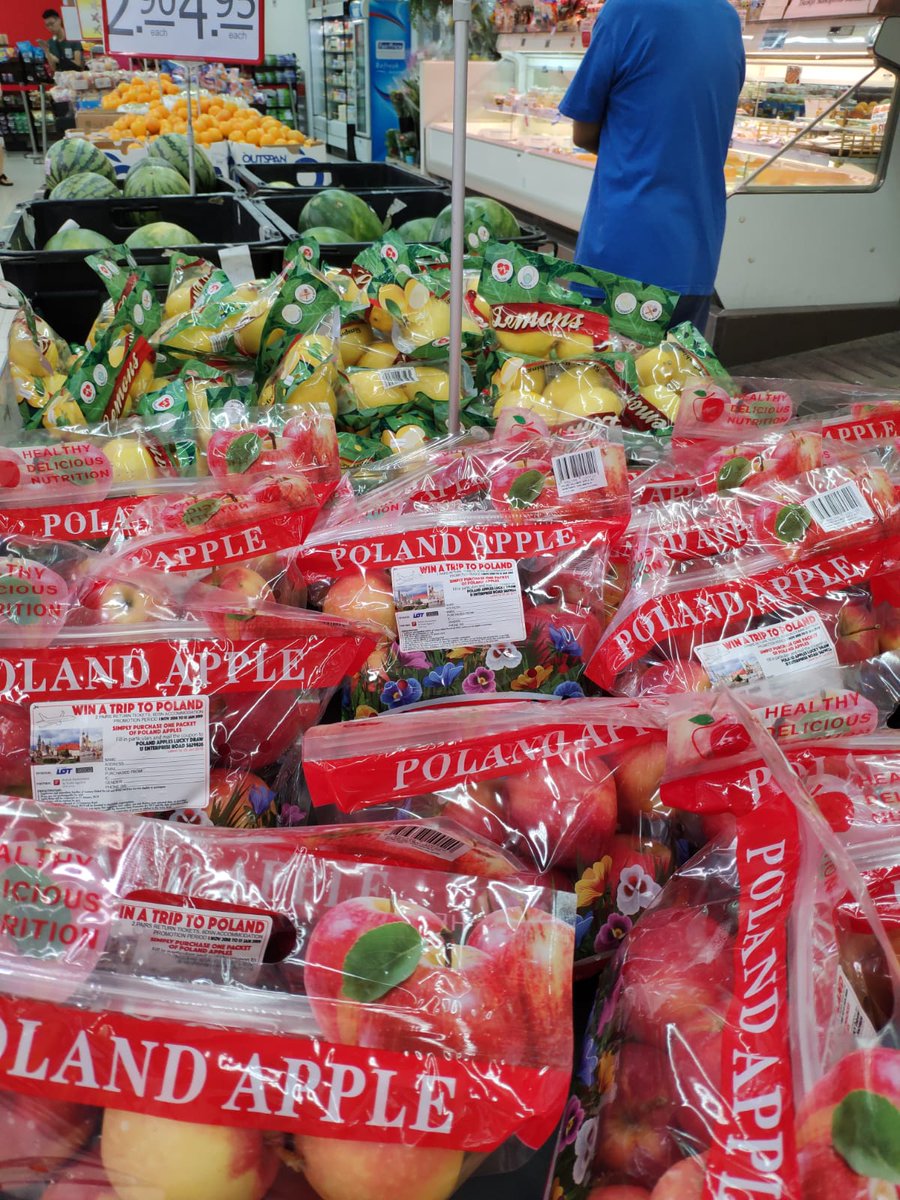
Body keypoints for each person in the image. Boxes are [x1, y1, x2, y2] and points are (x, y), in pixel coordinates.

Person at [559, 0, 745, 332]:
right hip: (696, 251)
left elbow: (583, 132)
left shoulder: (625, 10)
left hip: (622, 254)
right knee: (676, 365)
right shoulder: (728, 18)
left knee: (600, 365)